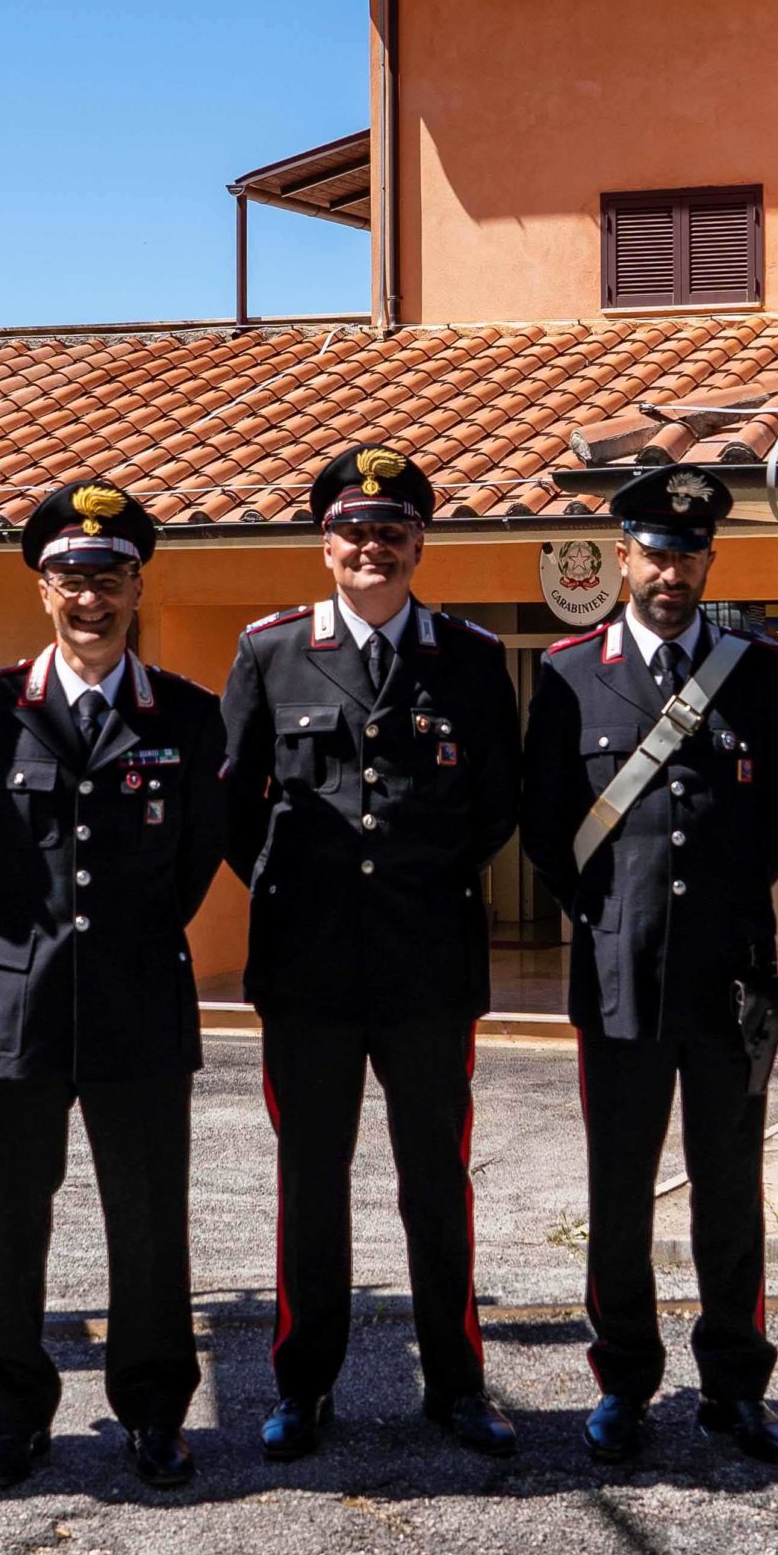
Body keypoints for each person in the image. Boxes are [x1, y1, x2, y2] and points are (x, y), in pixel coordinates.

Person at [219, 445, 522, 1461]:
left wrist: (417, 883)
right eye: (354, 530)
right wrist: (298, 892)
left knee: (436, 1182)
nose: (372, 547)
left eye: (391, 531)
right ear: (326, 543)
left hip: (426, 965)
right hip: (307, 969)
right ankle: (303, 1386)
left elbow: (495, 806)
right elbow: (236, 806)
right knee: (312, 1183)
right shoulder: (270, 651)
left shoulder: (469, 658)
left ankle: (458, 1384)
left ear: (418, 544)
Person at [0, 479, 224, 1492]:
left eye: (108, 578)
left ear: (137, 587)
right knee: (10, 1221)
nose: (89, 599)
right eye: (70, 579)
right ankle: (13, 1414)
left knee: (148, 1219)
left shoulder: (187, 714)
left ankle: (154, 1410)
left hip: (140, 1000)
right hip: (13, 1003)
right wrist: (29, 945)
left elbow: (193, 860)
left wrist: (122, 942)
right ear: (42, 588)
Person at [519, 465, 778, 1466]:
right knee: (619, 1193)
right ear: (621, 559)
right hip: (621, 980)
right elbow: (546, 826)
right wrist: (611, 920)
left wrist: (725, 911)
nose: (670, 572)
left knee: (730, 1191)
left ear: (707, 563)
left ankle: (735, 1387)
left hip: (729, 981)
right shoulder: (569, 674)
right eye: (654, 553)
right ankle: (623, 1384)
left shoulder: (757, 672)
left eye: (688, 555)